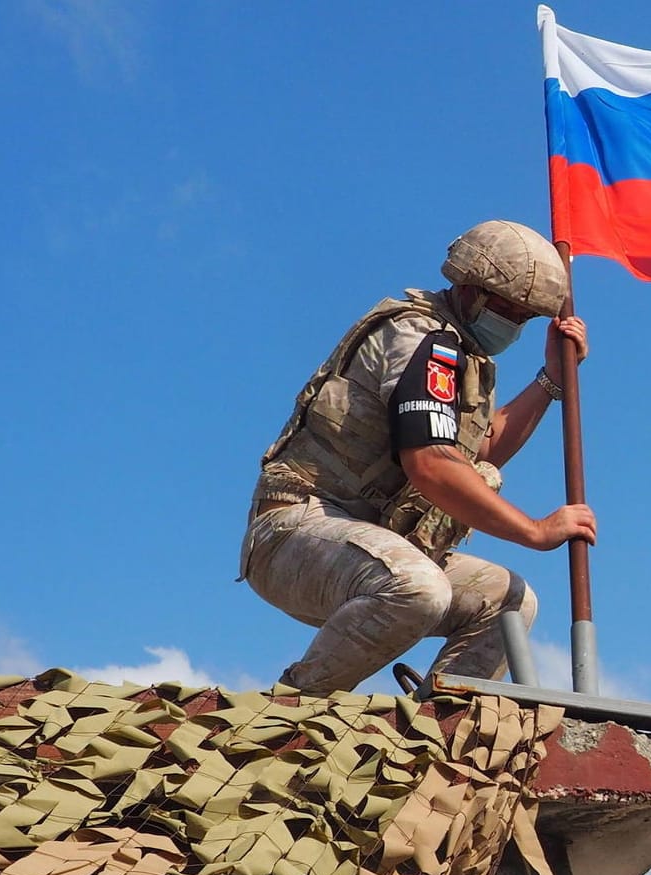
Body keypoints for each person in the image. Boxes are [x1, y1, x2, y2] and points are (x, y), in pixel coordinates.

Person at [239, 220, 596, 693]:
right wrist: (533, 531)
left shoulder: (463, 358)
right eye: (508, 311)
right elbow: (430, 465)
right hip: (294, 534)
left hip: (371, 545)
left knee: (509, 601)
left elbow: (477, 451)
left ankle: (437, 733)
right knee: (417, 589)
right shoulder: (421, 338)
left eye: (525, 318)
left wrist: (550, 380)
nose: (513, 326)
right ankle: (289, 715)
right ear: (470, 291)